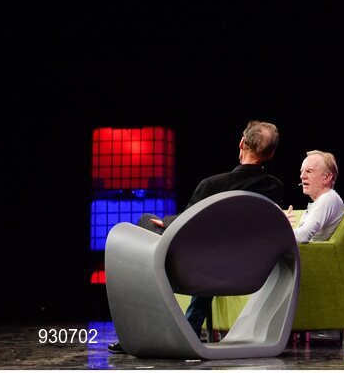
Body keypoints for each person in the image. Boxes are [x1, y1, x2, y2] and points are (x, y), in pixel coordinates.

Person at [109, 120, 286, 354]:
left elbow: (187, 227)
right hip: (251, 271)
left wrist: (168, 223)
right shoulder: (275, 189)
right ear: (271, 154)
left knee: (144, 224)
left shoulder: (213, 186)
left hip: (194, 270)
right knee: (213, 247)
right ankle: (190, 326)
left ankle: (136, 334)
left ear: (241, 143)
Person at [289, 150, 344, 243]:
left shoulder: (329, 198)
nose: (302, 176)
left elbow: (302, 236)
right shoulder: (323, 200)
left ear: (327, 177)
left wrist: (279, 229)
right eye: (302, 171)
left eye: (309, 171)